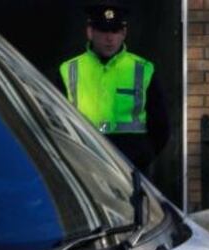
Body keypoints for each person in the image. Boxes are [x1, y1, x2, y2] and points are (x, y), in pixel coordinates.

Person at [59, 0, 169, 177]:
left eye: (115, 30)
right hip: (83, 165)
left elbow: (160, 126)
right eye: (103, 30)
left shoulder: (143, 69)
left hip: (131, 169)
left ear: (124, 32)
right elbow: (55, 120)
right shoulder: (68, 69)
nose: (109, 38)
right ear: (90, 32)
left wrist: (143, 156)